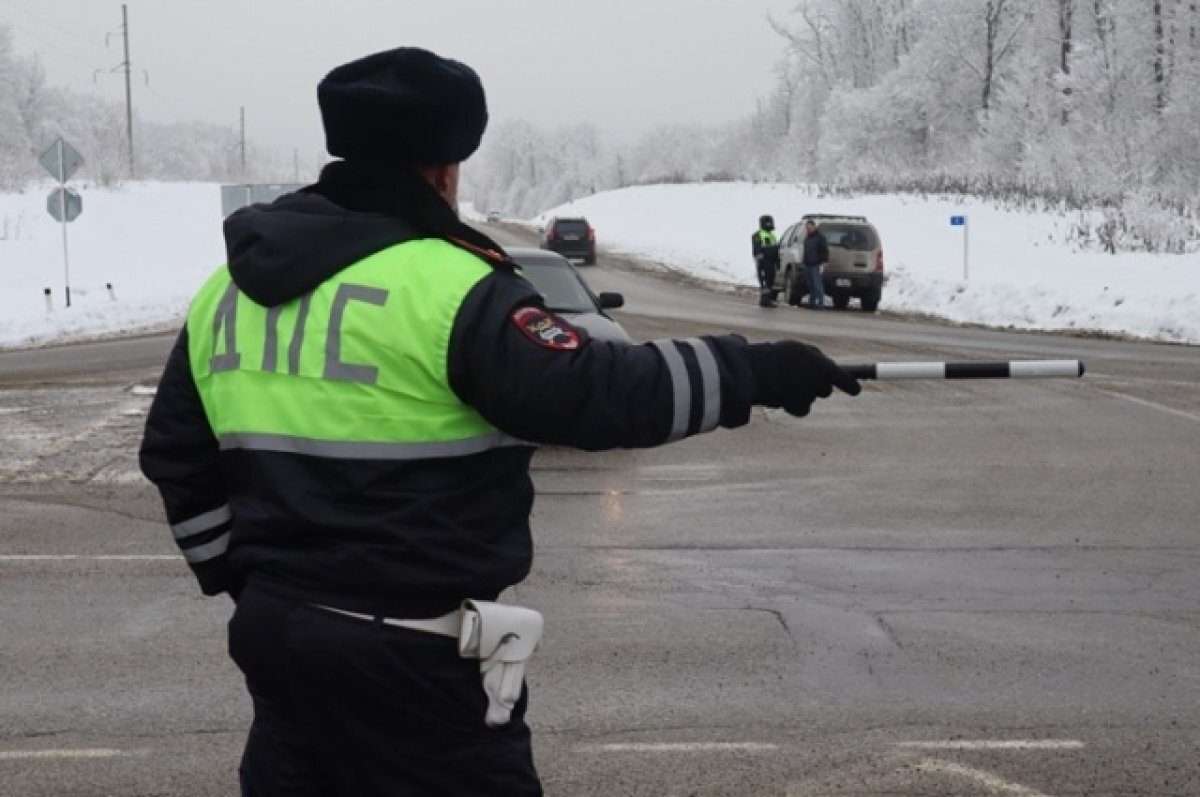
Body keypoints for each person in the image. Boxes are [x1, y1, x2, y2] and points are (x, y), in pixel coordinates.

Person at [138, 46, 861, 797]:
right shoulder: (450, 284)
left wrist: (242, 578)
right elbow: (594, 392)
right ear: (443, 171)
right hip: (416, 668)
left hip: (279, 643)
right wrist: (754, 371)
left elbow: (174, 454)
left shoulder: (227, 290)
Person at [751, 214, 781, 307]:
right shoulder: (758, 235)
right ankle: (765, 300)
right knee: (765, 282)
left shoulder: (772, 236)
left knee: (770, 281)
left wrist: (777, 262)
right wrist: (761, 262)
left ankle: (766, 299)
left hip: (771, 262)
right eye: (768, 222)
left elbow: (776, 250)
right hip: (764, 263)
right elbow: (757, 250)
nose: (770, 224)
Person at [800, 219, 830, 310]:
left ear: (814, 227)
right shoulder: (807, 238)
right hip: (807, 264)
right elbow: (806, 251)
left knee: (817, 285)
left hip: (816, 265)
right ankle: (812, 303)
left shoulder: (820, 237)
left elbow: (825, 250)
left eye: (809, 227)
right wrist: (804, 262)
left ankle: (821, 303)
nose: (808, 229)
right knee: (811, 285)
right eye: (807, 228)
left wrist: (825, 261)